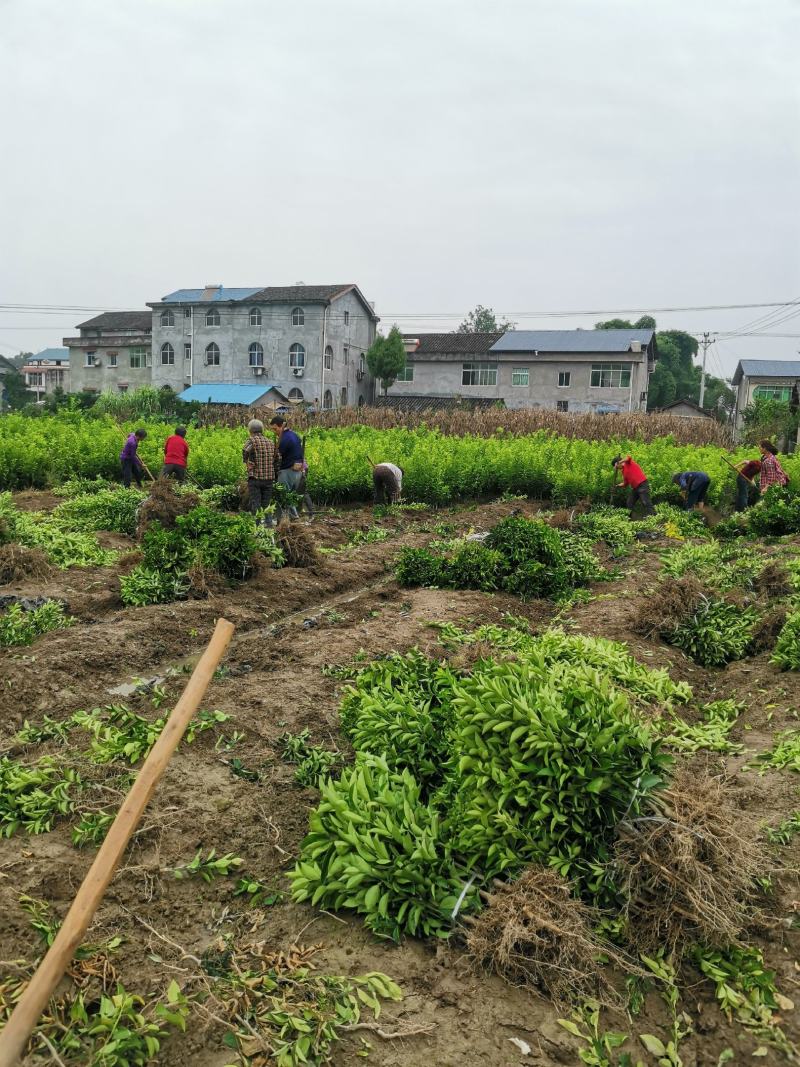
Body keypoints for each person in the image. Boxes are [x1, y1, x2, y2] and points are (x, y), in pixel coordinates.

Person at [243, 418, 279, 527]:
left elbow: (245, 451)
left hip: (255, 478)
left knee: (256, 503)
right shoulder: (270, 442)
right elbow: (277, 458)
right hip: (268, 478)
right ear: (262, 429)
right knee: (266, 503)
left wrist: (246, 461)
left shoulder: (251, 441)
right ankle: (269, 525)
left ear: (250, 430)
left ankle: (257, 526)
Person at [269, 415, 304, 521]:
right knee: (289, 496)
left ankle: (284, 519)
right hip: (297, 471)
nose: (275, 432)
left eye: (275, 429)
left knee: (282, 495)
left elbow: (278, 456)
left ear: (281, 427)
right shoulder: (295, 435)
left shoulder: (284, 439)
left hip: (287, 471)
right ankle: (290, 518)